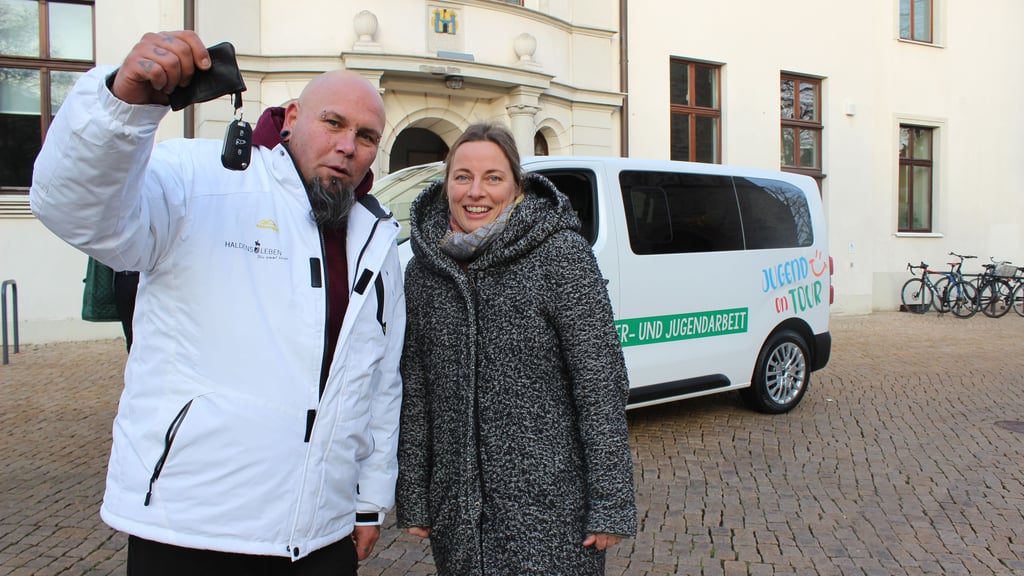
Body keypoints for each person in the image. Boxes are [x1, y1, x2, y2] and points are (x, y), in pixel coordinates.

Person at [30, 31, 405, 575]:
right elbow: (77, 210)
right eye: (334, 123)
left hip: (320, 535)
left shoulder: (375, 236)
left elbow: (378, 381)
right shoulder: (200, 178)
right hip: (193, 529)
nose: (349, 145)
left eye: (367, 135)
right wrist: (123, 105)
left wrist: (369, 500)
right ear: (293, 116)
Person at [396, 122, 637, 575]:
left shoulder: (560, 254)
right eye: (462, 176)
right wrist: (415, 494)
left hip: (551, 508)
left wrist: (611, 502)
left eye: (493, 177)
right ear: (445, 183)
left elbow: (600, 382)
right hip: (460, 511)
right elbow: (418, 390)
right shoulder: (425, 271)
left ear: (516, 184)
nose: (476, 192)